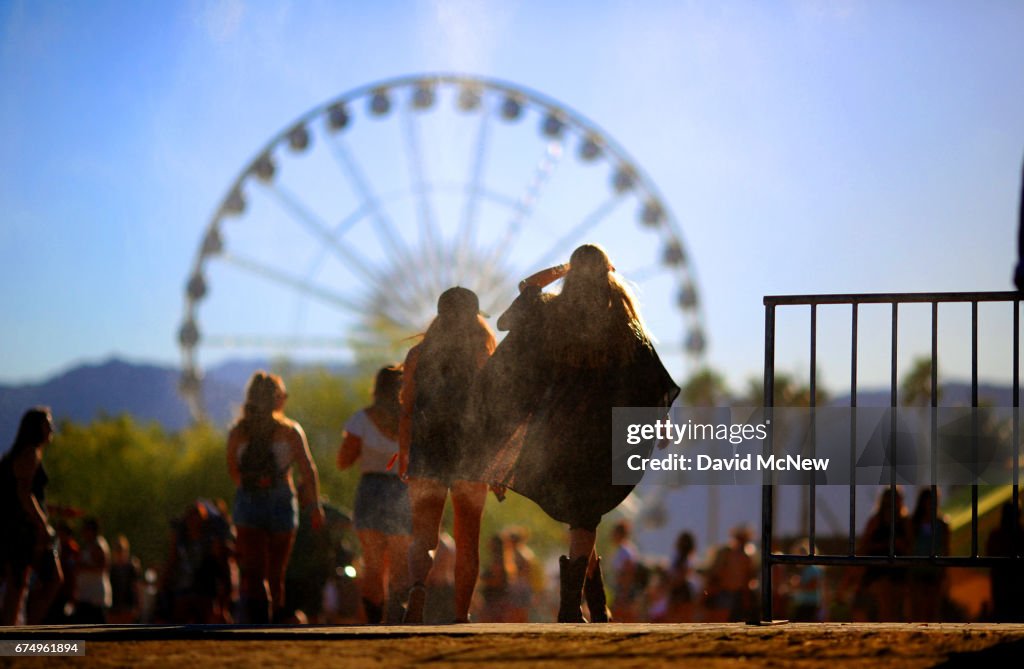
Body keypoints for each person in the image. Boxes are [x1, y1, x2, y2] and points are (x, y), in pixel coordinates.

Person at [467, 243, 679, 622]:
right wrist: (658, 421)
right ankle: (574, 606)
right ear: (606, 273)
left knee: (583, 518)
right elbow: (648, 377)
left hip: (556, 432)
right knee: (585, 517)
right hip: (601, 435)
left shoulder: (551, 314)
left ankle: (593, 604)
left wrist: (567, 269)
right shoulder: (621, 322)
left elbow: (524, 292)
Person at [399, 287, 496, 624]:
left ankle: (416, 589)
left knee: (424, 536)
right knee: (467, 541)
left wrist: (403, 453)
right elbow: (494, 414)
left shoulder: (417, 355)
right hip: (471, 455)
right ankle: (461, 614)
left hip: (427, 453)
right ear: (475, 316)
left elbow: (407, 411)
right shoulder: (484, 356)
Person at [227, 371, 324, 623]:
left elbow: (233, 471)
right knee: (276, 573)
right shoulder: (291, 431)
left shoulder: (237, 433)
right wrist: (314, 505)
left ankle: (258, 623)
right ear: (277, 399)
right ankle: (275, 626)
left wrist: (253, 484)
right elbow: (307, 469)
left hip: (248, 501)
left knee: (255, 572)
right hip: (282, 500)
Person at [337, 365, 412, 624]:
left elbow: (343, 460)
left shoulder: (363, 419)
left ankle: (374, 625)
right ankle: (399, 623)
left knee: (373, 565)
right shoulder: (410, 420)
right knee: (401, 566)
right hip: (402, 491)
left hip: (371, 491)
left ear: (376, 388)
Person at [0, 407, 63, 625]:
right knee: (33, 581)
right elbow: (24, 493)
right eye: (47, 424)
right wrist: (42, 522)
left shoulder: (23, 452)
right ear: (36, 428)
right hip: (22, 529)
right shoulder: (29, 453)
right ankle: (19, 634)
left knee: (18, 583)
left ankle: (16, 633)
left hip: (18, 526)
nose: (51, 428)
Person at [854, 487, 912, 621]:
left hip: (898, 567)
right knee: (884, 602)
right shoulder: (876, 521)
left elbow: (911, 544)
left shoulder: (904, 521)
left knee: (895, 603)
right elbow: (865, 544)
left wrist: (901, 546)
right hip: (879, 567)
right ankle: (885, 628)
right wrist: (885, 545)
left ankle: (889, 628)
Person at [908, 488, 950, 621]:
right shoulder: (914, 523)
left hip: (934, 569)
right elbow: (909, 544)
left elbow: (946, 547)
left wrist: (944, 571)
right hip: (917, 569)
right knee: (917, 606)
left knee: (932, 606)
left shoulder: (942, 524)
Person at [987, 501, 1024, 621]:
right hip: (1016, 586)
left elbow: (990, 557)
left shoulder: (996, 536)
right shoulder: (1020, 535)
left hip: (1002, 586)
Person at [108, 535, 142, 624]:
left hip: (128, 607)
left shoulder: (132, 568)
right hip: (114, 608)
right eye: (117, 549)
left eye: (121, 549)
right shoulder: (112, 569)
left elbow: (136, 587)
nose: (119, 552)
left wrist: (137, 606)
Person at [665, 531, 697, 622]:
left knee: (679, 618)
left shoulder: (684, 558)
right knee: (682, 618)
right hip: (681, 590)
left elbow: (681, 575)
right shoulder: (682, 557)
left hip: (681, 589)